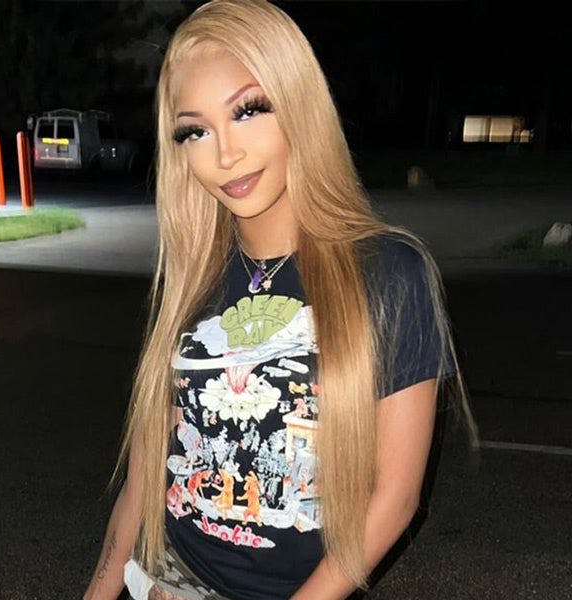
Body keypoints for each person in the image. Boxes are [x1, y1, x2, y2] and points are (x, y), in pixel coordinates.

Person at [83, 1, 476, 599]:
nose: (225, 154)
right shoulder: (192, 277)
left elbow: (394, 500)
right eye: (195, 130)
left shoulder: (389, 272)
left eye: (248, 110)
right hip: (172, 582)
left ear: (298, 105)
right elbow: (143, 476)